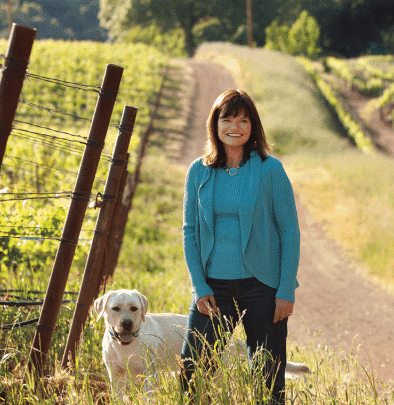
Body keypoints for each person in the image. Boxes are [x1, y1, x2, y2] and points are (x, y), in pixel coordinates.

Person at [180, 89, 300, 404]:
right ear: (215, 124)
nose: (236, 126)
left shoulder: (270, 169)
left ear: (253, 125)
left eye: (243, 119)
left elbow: (289, 229)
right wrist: (199, 284)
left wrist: (285, 289)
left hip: (263, 287)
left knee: (268, 379)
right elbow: (190, 231)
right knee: (193, 372)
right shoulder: (198, 171)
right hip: (213, 288)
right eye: (228, 119)